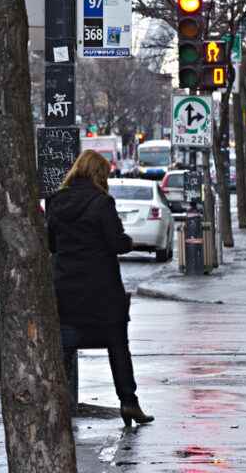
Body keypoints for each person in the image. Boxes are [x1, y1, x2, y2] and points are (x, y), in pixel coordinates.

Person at [46, 150, 154, 427]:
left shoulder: (56, 202)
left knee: (64, 351)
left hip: (67, 287)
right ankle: (129, 403)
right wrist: (128, 241)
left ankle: (54, 406)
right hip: (102, 290)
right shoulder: (102, 203)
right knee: (118, 347)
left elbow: (51, 244)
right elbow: (116, 242)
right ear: (98, 174)